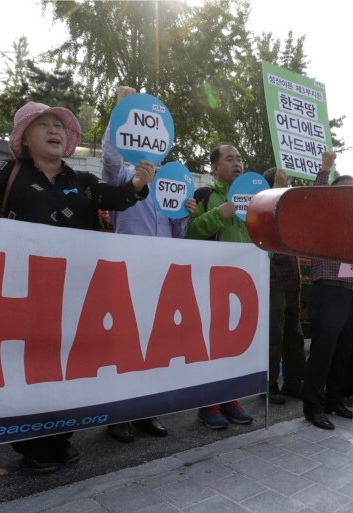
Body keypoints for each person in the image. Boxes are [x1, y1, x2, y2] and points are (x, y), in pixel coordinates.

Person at [0, 101, 153, 472]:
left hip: (75, 295)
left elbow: (116, 198)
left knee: (66, 365)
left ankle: (61, 437)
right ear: (24, 135)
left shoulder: (81, 181)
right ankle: (32, 445)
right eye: (44, 124)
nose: (54, 130)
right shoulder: (5, 174)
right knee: (29, 367)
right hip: (22, 292)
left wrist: (137, 184)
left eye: (59, 126)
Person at [99, 86, 194, 443]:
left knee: (156, 343)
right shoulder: (123, 177)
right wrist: (121, 110)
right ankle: (119, 416)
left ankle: (147, 412)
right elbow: (110, 158)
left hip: (161, 273)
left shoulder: (170, 187)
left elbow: (177, 233)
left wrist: (185, 215)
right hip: (128, 272)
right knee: (124, 343)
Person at [184, 144, 255, 429]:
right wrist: (218, 215)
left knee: (234, 344)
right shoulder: (204, 196)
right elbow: (190, 232)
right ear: (214, 167)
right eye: (229, 159)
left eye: (239, 159)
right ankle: (207, 404)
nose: (237, 163)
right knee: (209, 344)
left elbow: (261, 238)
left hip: (244, 282)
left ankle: (230, 399)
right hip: (209, 282)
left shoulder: (253, 198)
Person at [298, 152, 353, 430]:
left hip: (352, 292)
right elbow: (315, 199)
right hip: (327, 291)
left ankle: (334, 399)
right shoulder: (323, 219)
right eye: (345, 190)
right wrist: (325, 169)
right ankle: (312, 407)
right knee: (323, 352)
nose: (351, 195)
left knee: (343, 351)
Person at [261, 167, 307, 405]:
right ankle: (268, 385)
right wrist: (276, 188)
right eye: (284, 182)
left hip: (292, 279)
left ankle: (293, 382)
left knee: (294, 335)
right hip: (273, 279)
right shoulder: (262, 204)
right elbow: (267, 222)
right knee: (274, 335)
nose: (288, 185)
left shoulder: (290, 211)